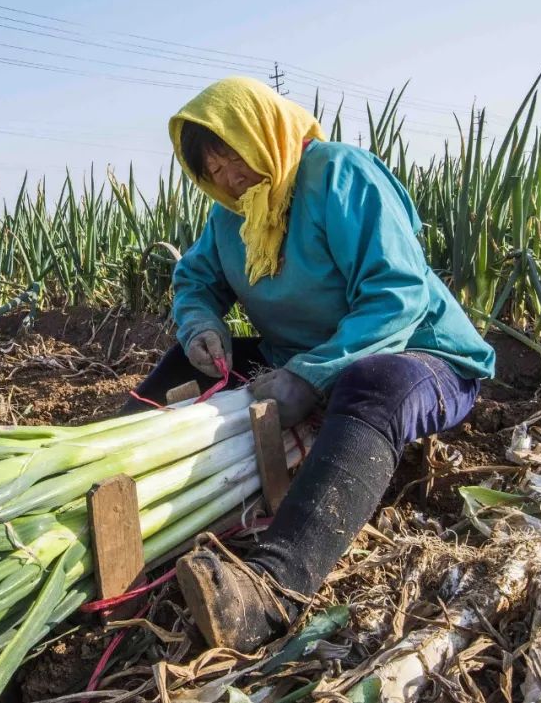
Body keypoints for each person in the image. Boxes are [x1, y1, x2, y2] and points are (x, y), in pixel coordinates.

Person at [123, 78, 495, 654]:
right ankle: (110, 483)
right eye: (211, 167)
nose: (227, 176)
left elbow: (396, 295)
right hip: (298, 361)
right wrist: (202, 327)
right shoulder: (232, 217)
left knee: (372, 384)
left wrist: (311, 375)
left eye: (231, 153)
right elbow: (195, 281)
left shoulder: (341, 175)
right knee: (183, 363)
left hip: (417, 356)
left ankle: (274, 589)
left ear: (261, 130)